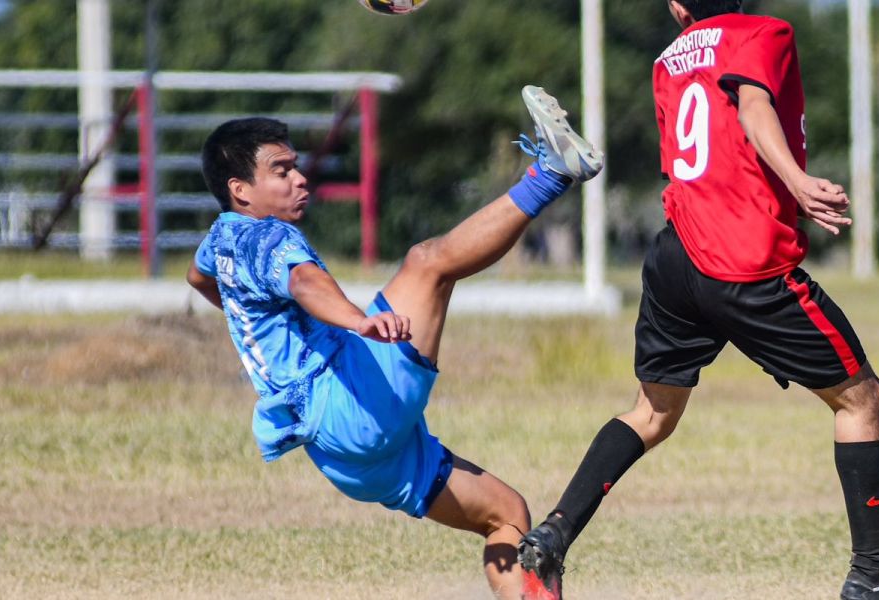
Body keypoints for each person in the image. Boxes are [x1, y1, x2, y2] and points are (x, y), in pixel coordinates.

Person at [518, 3, 879, 600]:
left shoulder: (668, 59)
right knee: (861, 399)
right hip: (743, 260)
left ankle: (556, 534)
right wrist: (796, 182)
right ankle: (872, 578)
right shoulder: (763, 32)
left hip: (678, 257)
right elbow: (752, 101)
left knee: (652, 413)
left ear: (676, 5)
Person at [186, 86, 603, 600]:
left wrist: (264, 317)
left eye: (295, 166)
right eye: (281, 170)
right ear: (240, 190)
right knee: (429, 265)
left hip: (342, 457)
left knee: (506, 514)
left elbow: (201, 278)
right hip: (350, 406)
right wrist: (356, 321)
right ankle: (552, 175)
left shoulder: (220, 241)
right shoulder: (267, 235)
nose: (299, 178)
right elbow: (303, 283)